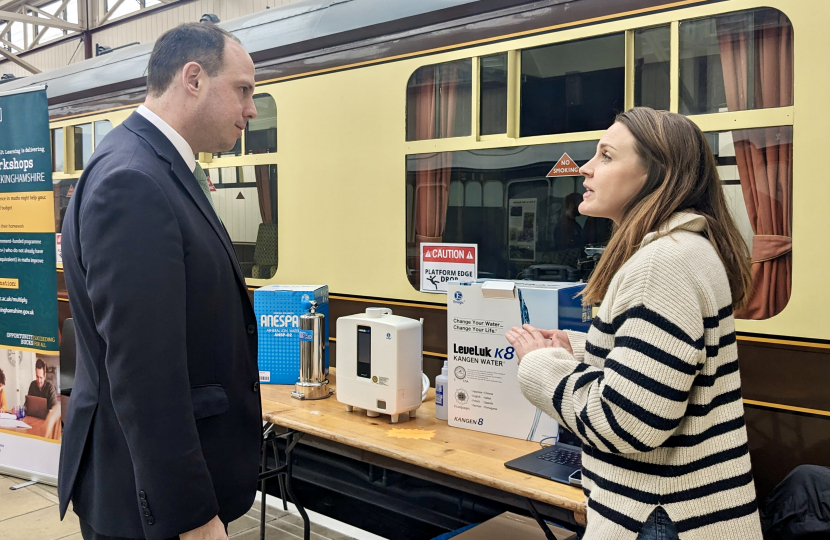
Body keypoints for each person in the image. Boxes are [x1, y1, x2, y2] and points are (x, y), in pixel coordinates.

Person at [506, 108, 762, 540]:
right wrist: (578, 347)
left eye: (606, 156)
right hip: (678, 510)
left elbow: (628, 422)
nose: (585, 168)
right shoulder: (687, 247)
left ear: (656, 175)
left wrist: (540, 367)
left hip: (660, 517)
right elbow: (667, 362)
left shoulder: (661, 262)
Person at [58, 23, 261, 540]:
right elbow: (143, 370)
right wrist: (189, 514)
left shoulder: (155, 167)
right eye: (243, 89)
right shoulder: (134, 181)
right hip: (147, 508)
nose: (251, 110)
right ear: (193, 78)